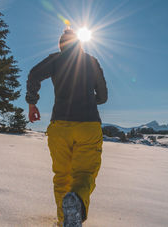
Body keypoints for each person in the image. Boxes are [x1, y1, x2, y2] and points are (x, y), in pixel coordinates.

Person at [26, 28, 108, 227]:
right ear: (79, 44)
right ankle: (77, 203)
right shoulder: (92, 61)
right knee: (85, 173)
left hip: (60, 126)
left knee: (62, 176)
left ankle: (64, 221)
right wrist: (90, 99)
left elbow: (34, 75)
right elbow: (103, 97)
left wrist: (32, 103)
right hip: (88, 126)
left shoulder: (55, 60)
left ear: (61, 45)